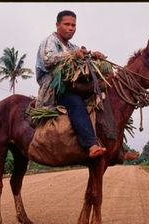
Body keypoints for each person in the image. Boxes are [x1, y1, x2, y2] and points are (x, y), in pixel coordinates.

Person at [35, 10, 106, 158]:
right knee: (75, 102)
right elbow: (48, 60)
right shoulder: (50, 41)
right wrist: (73, 54)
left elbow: (82, 55)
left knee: (103, 95)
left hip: (72, 85)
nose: (71, 28)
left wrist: (94, 56)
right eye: (67, 24)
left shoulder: (72, 46)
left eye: (73, 25)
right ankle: (91, 145)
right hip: (55, 88)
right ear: (57, 25)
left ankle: (116, 147)